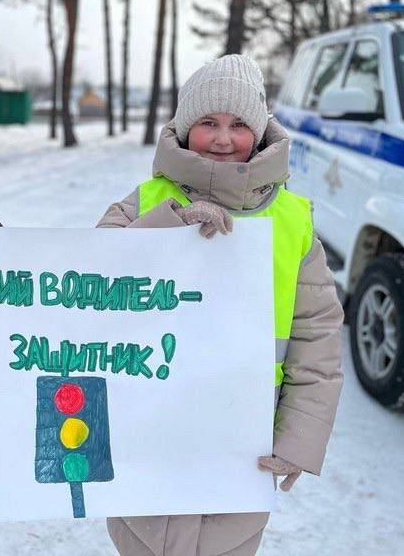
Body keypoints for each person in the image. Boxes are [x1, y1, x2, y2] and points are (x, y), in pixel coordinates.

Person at [97, 54, 344, 556]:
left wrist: (297, 438)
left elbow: (316, 339)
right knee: (141, 536)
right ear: (185, 129)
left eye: (238, 125)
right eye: (208, 122)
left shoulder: (293, 221)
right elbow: (97, 279)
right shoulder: (145, 201)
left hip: (241, 438)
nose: (224, 139)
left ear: (261, 131)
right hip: (149, 428)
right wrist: (171, 225)